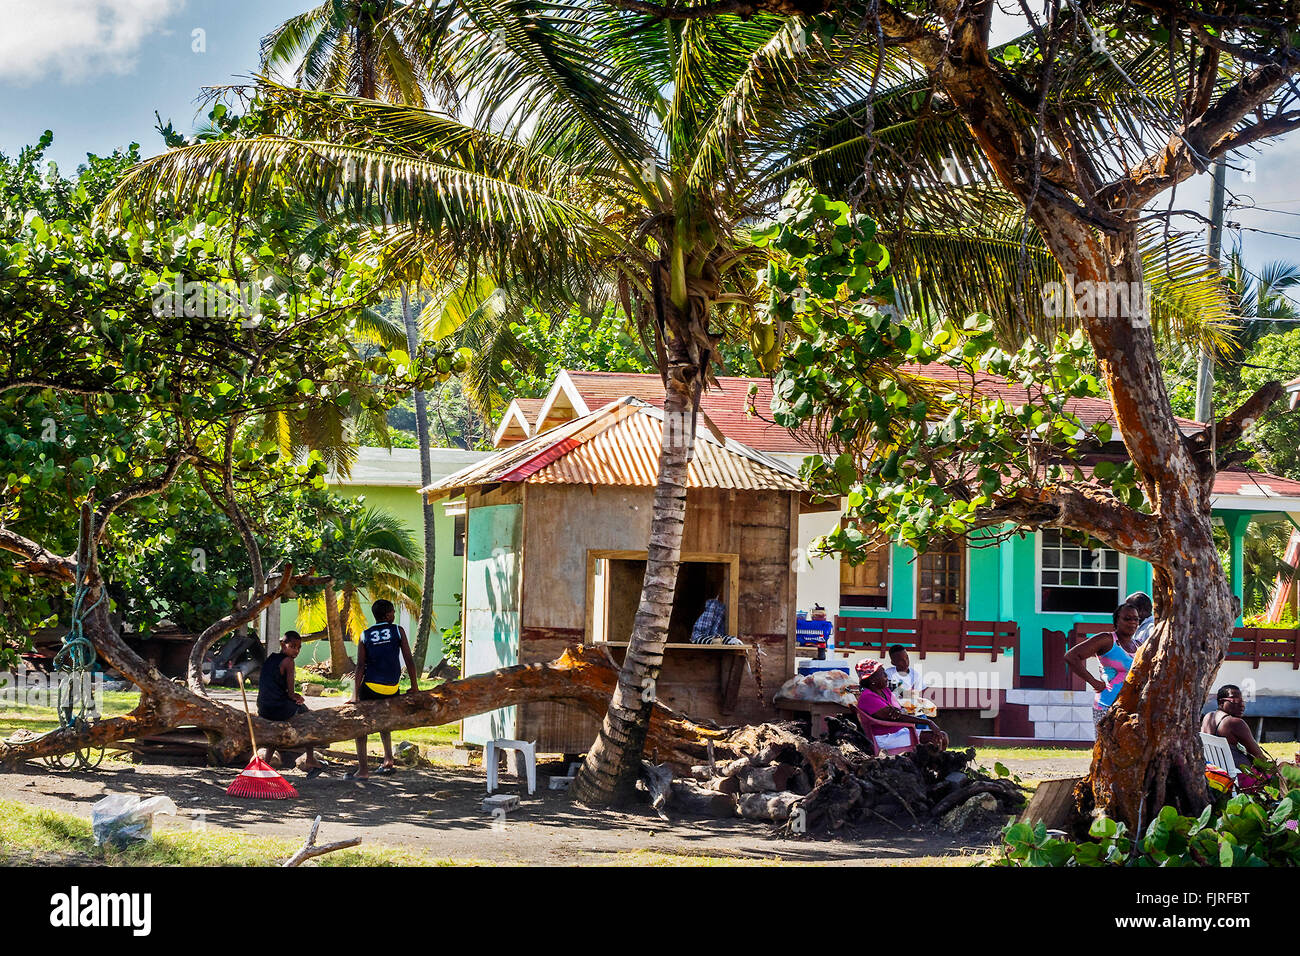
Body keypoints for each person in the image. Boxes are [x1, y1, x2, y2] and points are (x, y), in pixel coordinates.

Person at [349, 600, 420, 780]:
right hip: (392, 688)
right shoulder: (397, 630)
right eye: (393, 612)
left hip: (371, 687)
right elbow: (409, 660)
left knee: (361, 727)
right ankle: (388, 759)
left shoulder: (365, 635)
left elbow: (360, 667)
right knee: (384, 721)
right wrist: (414, 686)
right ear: (387, 614)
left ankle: (363, 770)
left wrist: (355, 696)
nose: (394, 615)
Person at [255, 631, 323, 778]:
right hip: (277, 707)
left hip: (263, 706)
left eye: (299, 647)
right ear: (282, 645)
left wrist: (292, 697)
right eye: (292, 646)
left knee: (277, 728)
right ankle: (310, 759)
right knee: (309, 719)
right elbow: (291, 693)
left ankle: (266, 762)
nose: (296, 651)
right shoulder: (288, 662)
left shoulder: (271, 658)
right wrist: (297, 697)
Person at [1064, 603, 1139, 725]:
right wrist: (1093, 682)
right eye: (1127, 619)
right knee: (1106, 744)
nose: (1132, 622)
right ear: (1117, 621)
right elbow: (1071, 657)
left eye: (1136, 619)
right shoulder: (1107, 640)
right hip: (1107, 706)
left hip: (1132, 708)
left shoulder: (1139, 645)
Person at [855, 658, 947, 752]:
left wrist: (899, 711)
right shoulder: (868, 697)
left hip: (897, 732)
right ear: (872, 680)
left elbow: (897, 710)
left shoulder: (884, 690)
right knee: (936, 738)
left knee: (942, 736)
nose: (887, 677)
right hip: (886, 738)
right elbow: (895, 716)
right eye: (883, 674)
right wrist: (928, 722)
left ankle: (936, 765)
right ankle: (934, 765)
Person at [1201, 684, 1270, 774]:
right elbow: (1259, 758)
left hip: (1217, 775)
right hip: (1241, 778)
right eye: (1236, 700)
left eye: (1243, 701)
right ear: (1221, 703)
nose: (1242, 705)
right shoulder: (1235, 723)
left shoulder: (1208, 717)